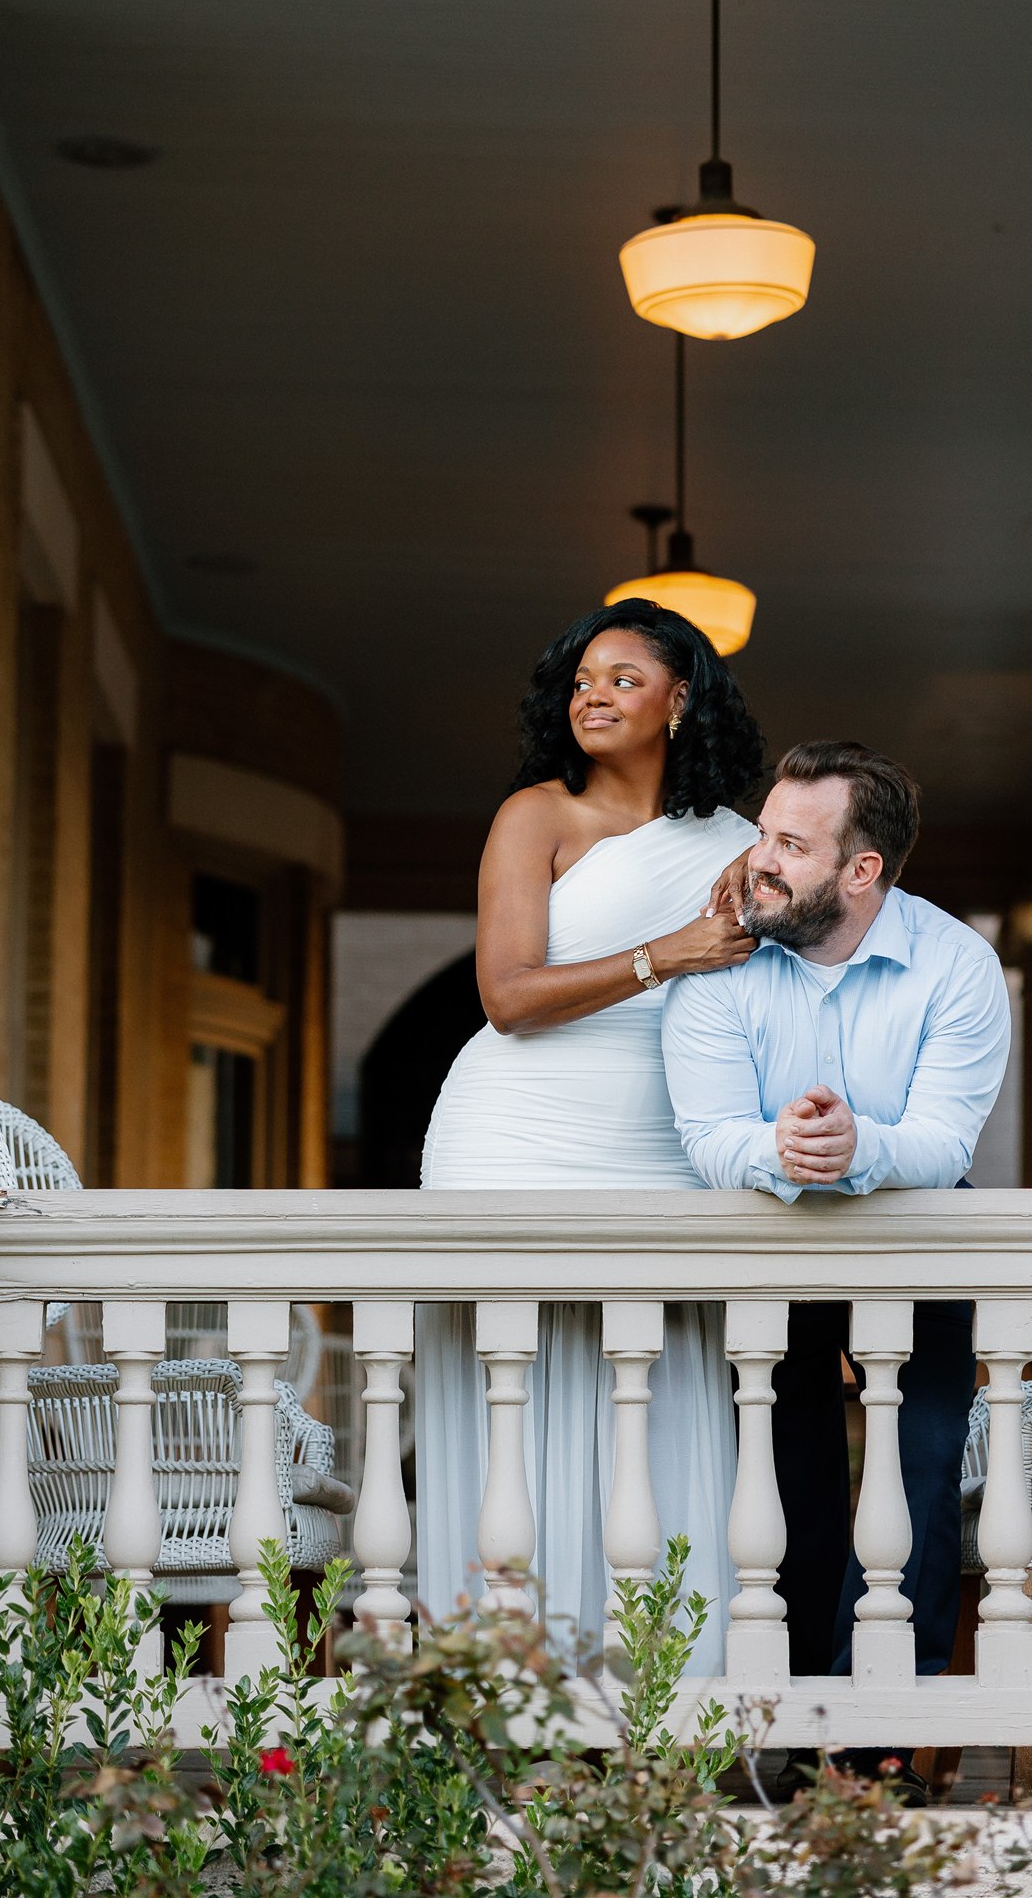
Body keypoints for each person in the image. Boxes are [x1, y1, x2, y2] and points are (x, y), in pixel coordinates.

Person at [415, 599, 762, 1671]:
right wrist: (670, 951)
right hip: (513, 1131)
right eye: (580, 680)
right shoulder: (537, 815)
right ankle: (499, 1693)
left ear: (681, 696)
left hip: (665, 1139)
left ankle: (657, 1699)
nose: (592, 695)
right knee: (507, 1397)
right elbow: (508, 995)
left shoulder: (743, 845)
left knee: (655, 1394)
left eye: (621, 676)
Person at [661, 740, 1011, 1776]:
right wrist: (781, 1149)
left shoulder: (957, 964)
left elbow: (946, 1139)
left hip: (921, 1236)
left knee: (922, 1468)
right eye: (764, 830)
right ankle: (799, 1726)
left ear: (863, 871)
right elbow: (707, 1132)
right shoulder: (721, 964)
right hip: (772, 1250)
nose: (757, 858)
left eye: (789, 843)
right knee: (788, 1479)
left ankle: (880, 1748)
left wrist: (857, 1149)